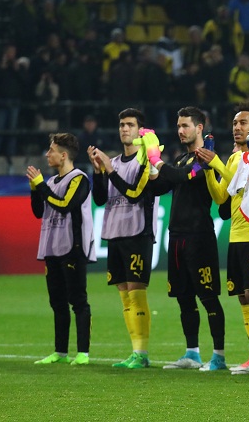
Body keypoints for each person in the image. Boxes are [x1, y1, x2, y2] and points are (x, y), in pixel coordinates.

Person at [195, 102, 249, 376]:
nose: (237, 128)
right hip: (237, 235)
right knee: (244, 297)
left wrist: (216, 162)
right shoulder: (233, 159)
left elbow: (247, 186)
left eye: (243, 123)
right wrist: (209, 169)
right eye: (234, 123)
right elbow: (222, 196)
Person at [142, 107, 229, 371]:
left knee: (208, 296)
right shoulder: (181, 159)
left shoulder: (206, 159)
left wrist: (157, 160)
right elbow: (159, 186)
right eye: (178, 126)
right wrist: (146, 161)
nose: (180, 131)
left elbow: (182, 178)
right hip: (177, 236)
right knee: (184, 297)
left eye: (185, 126)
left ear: (199, 128)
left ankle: (219, 355)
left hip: (199, 236)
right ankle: (192, 353)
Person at [88, 108, 157, 369]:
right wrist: (98, 172)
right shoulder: (114, 162)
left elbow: (133, 194)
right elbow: (100, 199)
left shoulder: (145, 162)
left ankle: (142, 353)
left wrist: (109, 169)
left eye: (129, 125)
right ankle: (134, 351)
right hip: (114, 233)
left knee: (136, 293)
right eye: (121, 125)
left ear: (140, 131)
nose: (124, 129)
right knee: (124, 295)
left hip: (137, 232)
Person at [27, 133, 95, 365]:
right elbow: (39, 212)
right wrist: (35, 189)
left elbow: (66, 205)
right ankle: (60, 351)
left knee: (78, 300)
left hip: (72, 247)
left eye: (52, 150)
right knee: (57, 301)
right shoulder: (50, 182)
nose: (47, 154)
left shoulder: (80, 179)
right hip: (52, 247)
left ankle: (83, 352)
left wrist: (41, 188)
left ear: (63, 155)